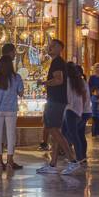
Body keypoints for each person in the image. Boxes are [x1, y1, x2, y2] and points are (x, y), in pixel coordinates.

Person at [37, 37, 80, 174]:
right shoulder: (57, 62)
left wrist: (44, 83)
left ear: (60, 49)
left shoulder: (57, 62)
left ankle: (72, 160)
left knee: (52, 129)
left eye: (53, 46)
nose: (49, 48)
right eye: (49, 45)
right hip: (58, 100)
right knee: (56, 132)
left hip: (55, 101)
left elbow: (58, 80)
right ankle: (53, 164)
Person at [0, 45, 24, 172]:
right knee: (11, 136)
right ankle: (9, 162)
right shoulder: (17, 77)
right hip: (11, 109)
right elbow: (20, 93)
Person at [65, 62, 90, 162]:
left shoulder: (69, 81)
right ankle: (81, 156)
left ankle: (77, 157)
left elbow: (82, 97)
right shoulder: (80, 81)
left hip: (74, 111)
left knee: (72, 135)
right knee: (78, 135)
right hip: (79, 111)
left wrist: (82, 110)